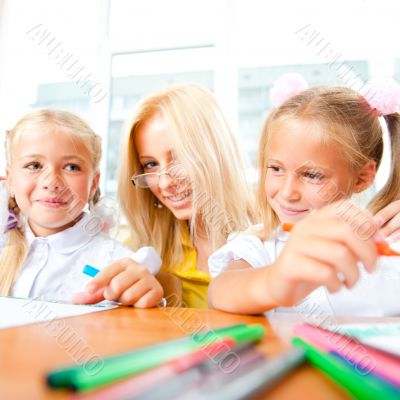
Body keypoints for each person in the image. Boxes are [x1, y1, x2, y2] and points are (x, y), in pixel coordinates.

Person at [208, 74, 400, 316]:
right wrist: (275, 280)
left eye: (312, 175)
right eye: (276, 168)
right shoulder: (260, 245)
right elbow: (220, 292)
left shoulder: (391, 247)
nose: (287, 192)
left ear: (362, 177)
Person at [0, 109, 163, 307]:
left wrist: (146, 301)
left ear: (93, 183)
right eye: (34, 165)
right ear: (10, 179)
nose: (52, 182)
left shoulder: (117, 265)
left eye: (71, 167)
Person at [117, 84, 256, 308]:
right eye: (150, 164)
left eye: (180, 157)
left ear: (218, 151)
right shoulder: (138, 250)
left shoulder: (273, 237)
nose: (165, 182)